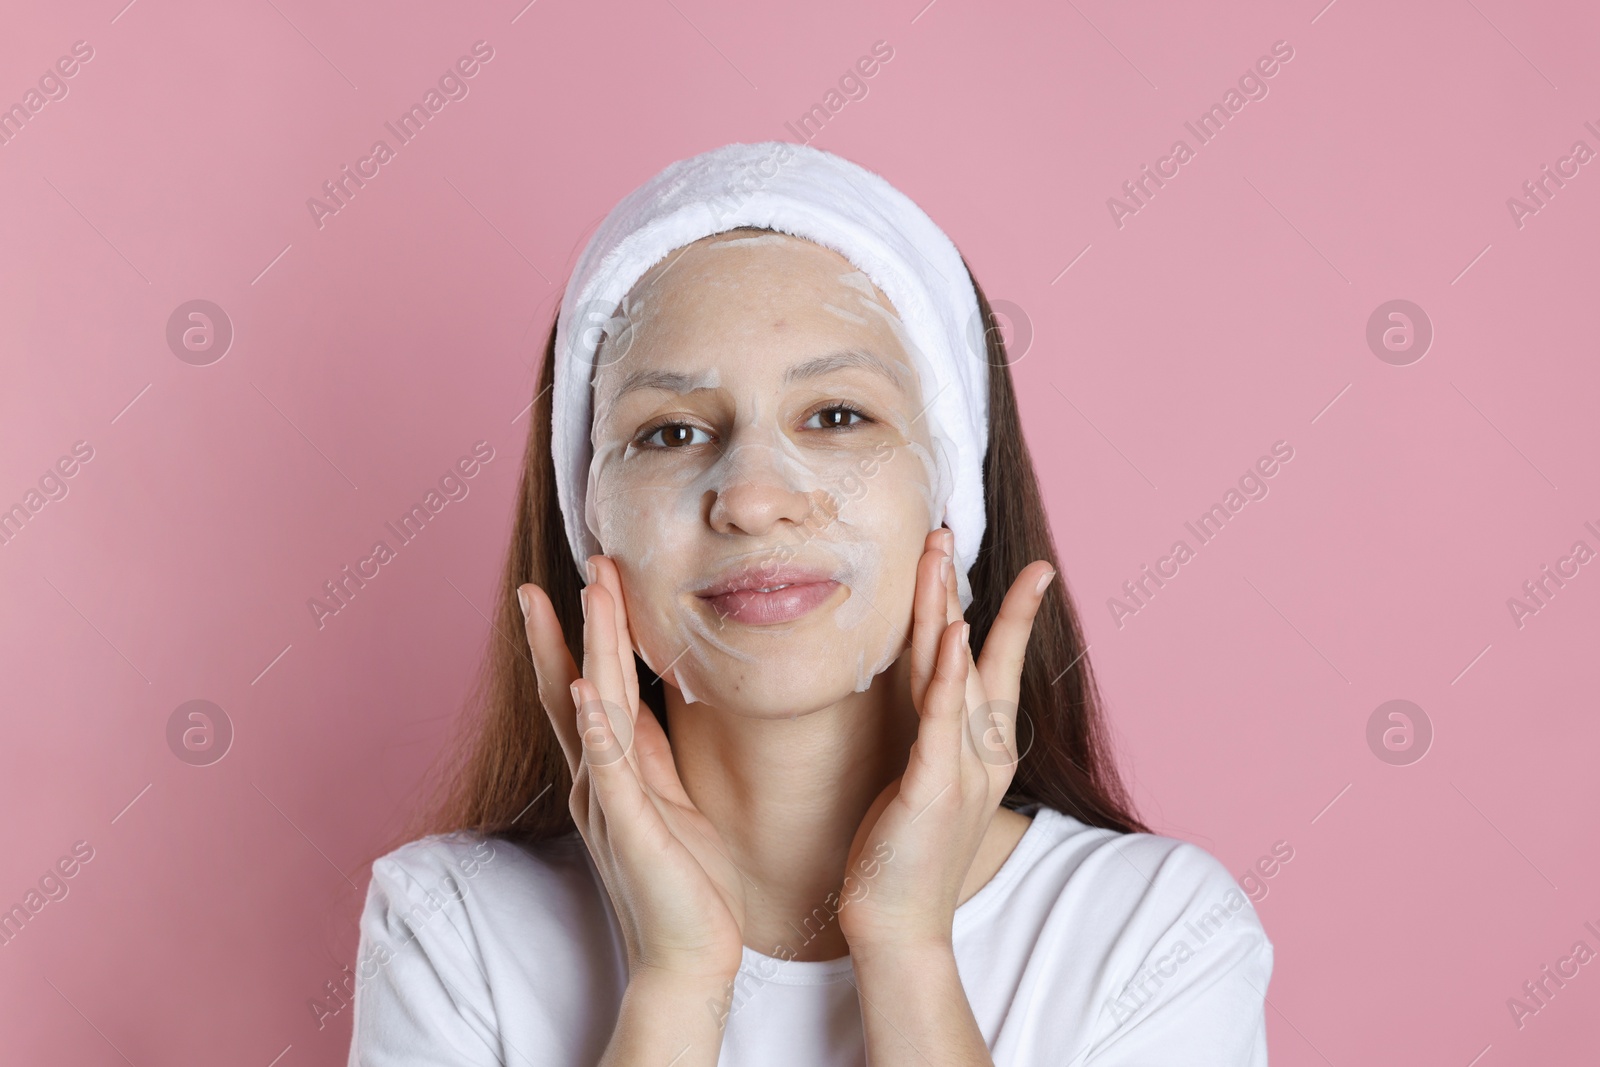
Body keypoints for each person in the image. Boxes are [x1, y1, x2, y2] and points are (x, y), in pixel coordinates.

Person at [344, 141, 1273, 1066]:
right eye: (669, 432)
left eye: (836, 417)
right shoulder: (449, 924)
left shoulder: (1154, 931)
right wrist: (677, 980)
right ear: (589, 520)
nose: (752, 497)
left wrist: (907, 949)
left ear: (953, 493)